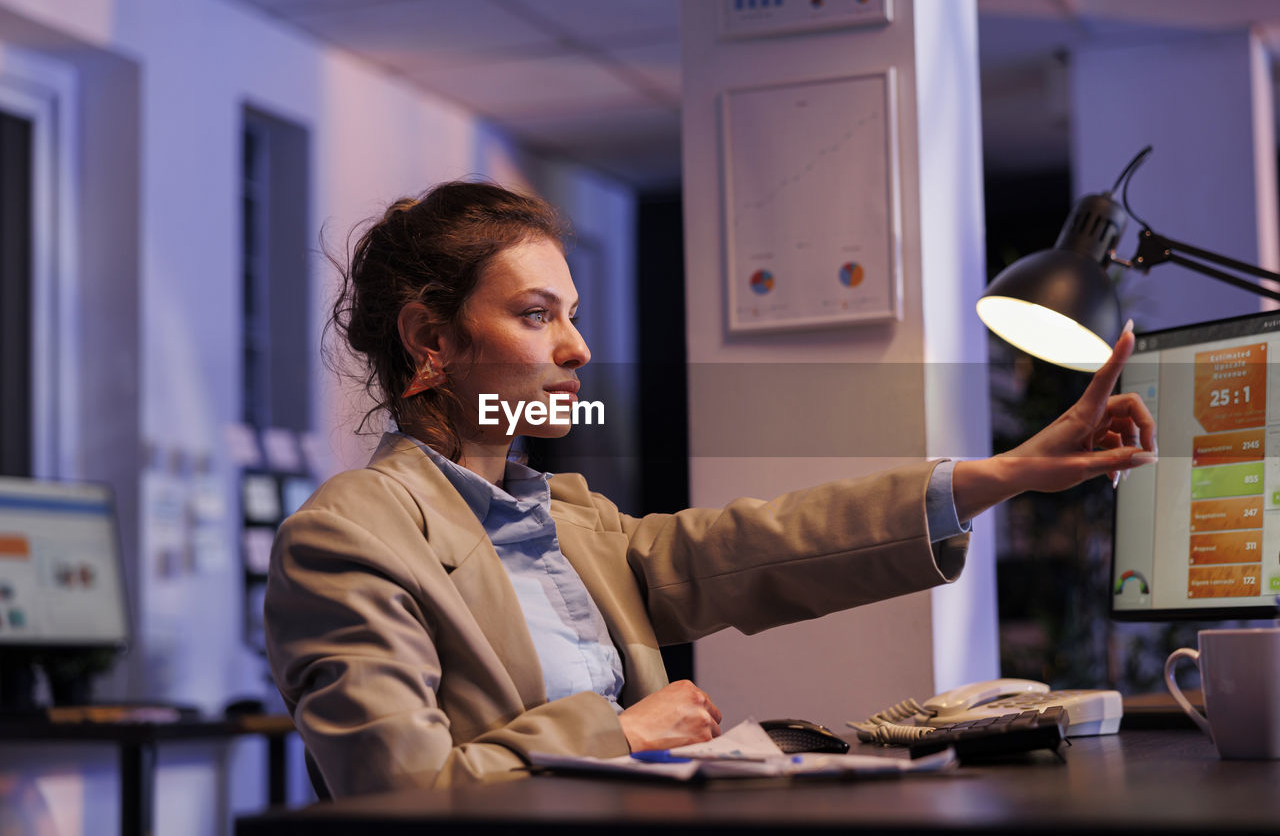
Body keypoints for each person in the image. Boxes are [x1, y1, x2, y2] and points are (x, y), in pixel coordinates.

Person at [264, 181, 1156, 797]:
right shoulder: (349, 539)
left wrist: (1007, 473)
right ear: (430, 338)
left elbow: (768, 542)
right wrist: (621, 731)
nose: (577, 348)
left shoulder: (570, 518)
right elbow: (402, 795)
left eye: (572, 314)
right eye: (538, 315)